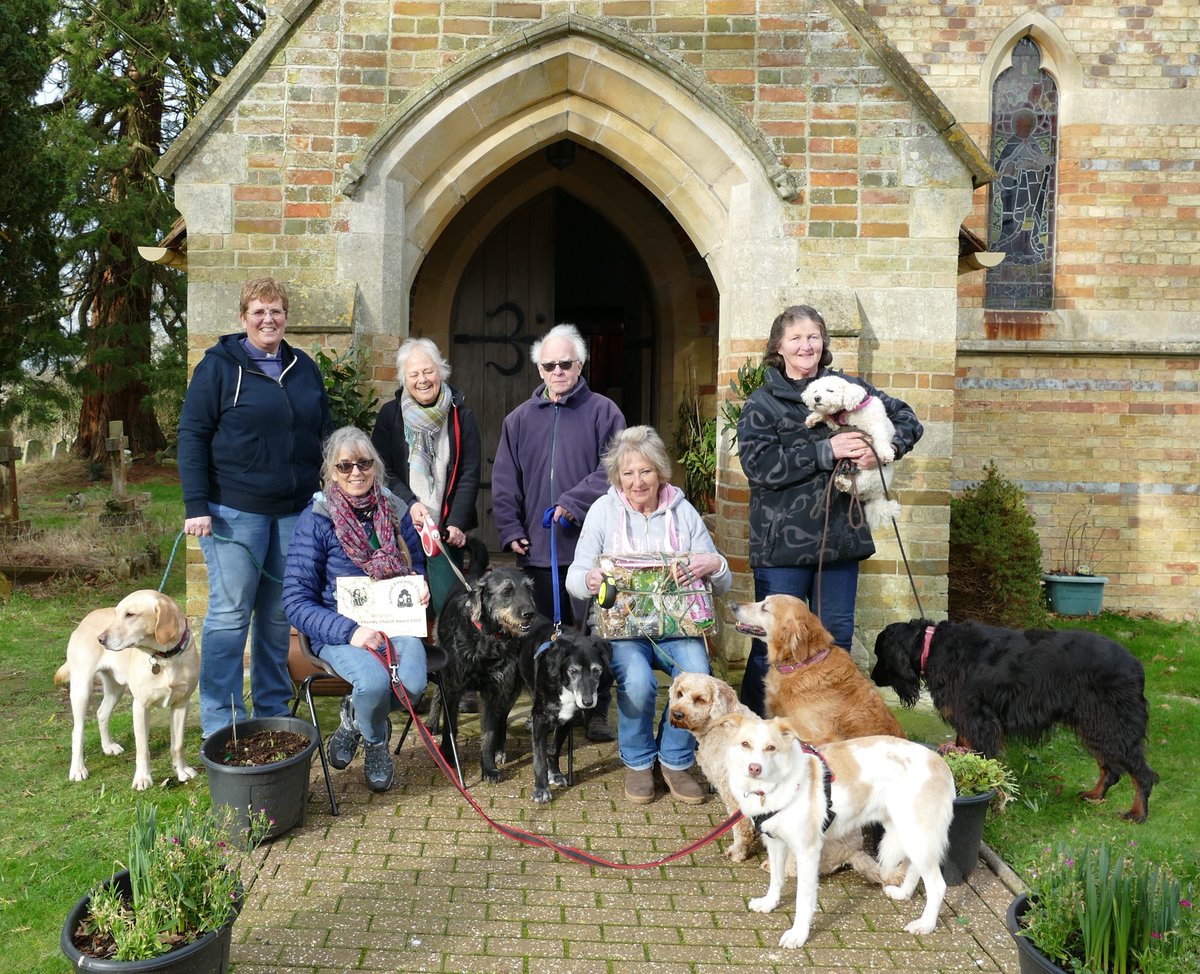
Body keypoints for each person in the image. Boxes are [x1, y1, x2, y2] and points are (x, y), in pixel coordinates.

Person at [736, 304, 923, 716]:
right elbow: (759, 467)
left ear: (823, 343)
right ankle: (753, 733)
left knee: (833, 642)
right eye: (796, 338)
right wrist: (826, 450)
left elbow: (908, 419)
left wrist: (881, 452)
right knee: (771, 646)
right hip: (781, 548)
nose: (807, 345)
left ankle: (824, 735)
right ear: (778, 347)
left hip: (840, 540)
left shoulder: (848, 389)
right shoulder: (762, 404)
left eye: (813, 337)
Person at [178, 277, 332, 737]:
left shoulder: (303, 367)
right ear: (244, 318)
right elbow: (192, 435)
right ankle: (221, 723)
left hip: (294, 513)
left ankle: (271, 711)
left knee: (278, 615)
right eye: (259, 311)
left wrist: (327, 495)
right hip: (233, 513)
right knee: (229, 615)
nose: (269, 319)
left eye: (277, 311)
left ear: (286, 317)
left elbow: (324, 434)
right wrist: (195, 504)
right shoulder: (219, 367)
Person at [566, 426, 732, 804]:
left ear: (660, 472)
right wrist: (590, 578)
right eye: (628, 473)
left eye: (645, 471)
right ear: (617, 478)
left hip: (680, 628)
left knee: (697, 673)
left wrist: (714, 562)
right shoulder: (603, 512)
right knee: (638, 683)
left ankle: (674, 760)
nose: (637, 481)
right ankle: (639, 762)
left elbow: (722, 583)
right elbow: (574, 579)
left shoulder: (684, 513)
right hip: (624, 633)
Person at [491, 323, 626, 741]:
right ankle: (548, 708)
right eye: (548, 365)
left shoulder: (605, 412)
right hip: (537, 551)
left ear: (579, 365)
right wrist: (511, 526)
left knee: (593, 640)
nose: (557, 371)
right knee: (544, 639)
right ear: (539, 370)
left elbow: (617, 470)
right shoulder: (518, 420)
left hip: (589, 551)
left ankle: (597, 712)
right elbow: (504, 478)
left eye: (565, 364)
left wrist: (573, 501)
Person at [283, 427, 429, 793]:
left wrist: (421, 584)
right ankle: (377, 742)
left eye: (363, 463)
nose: (355, 472)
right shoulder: (317, 519)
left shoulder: (395, 510)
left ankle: (353, 721)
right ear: (331, 471)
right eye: (344, 465)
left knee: (412, 686)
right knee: (375, 682)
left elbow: (417, 565)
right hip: (340, 630)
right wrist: (351, 632)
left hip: (395, 621)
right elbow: (295, 601)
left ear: (375, 466)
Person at [371, 337, 481, 614]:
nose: (422, 379)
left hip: (446, 530)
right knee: (406, 608)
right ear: (404, 379)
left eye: (428, 371)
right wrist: (410, 503)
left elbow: (470, 473)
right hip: (402, 526)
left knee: (448, 608)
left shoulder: (461, 415)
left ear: (441, 371)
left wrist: (457, 521)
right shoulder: (390, 415)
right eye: (414, 374)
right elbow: (383, 471)